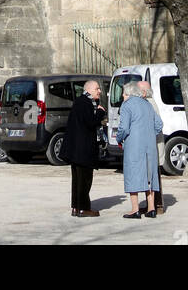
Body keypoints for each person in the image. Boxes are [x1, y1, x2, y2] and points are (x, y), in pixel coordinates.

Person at [116, 80, 163, 218]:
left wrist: (119, 138)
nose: (123, 96)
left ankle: (135, 209)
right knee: (149, 175)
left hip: (134, 144)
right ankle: (151, 208)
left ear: (128, 93)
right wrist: (149, 133)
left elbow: (124, 127)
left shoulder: (127, 105)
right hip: (150, 144)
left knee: (133, 173)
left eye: (123, 93)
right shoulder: (147, 104)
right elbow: (159, 124)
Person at [62, 79, 106, 217]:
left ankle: (76, 207)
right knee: (84, 180)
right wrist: (100, 113)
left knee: (78, 179)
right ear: (88, 90)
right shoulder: (85, 102)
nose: (99, 91)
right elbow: (90, 122)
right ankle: (84, 208)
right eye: (97, 89)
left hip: (77, 149)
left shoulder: (81, 102)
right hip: (83, 149)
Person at [138, 80, 165, 213]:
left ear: (143, 91)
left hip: (153, 147)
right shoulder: (148, 102)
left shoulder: (149, 103)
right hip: (152, 146)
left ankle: (157, 205)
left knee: (153, 177)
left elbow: (157, 124)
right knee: (150, 176)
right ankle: (153, 205)